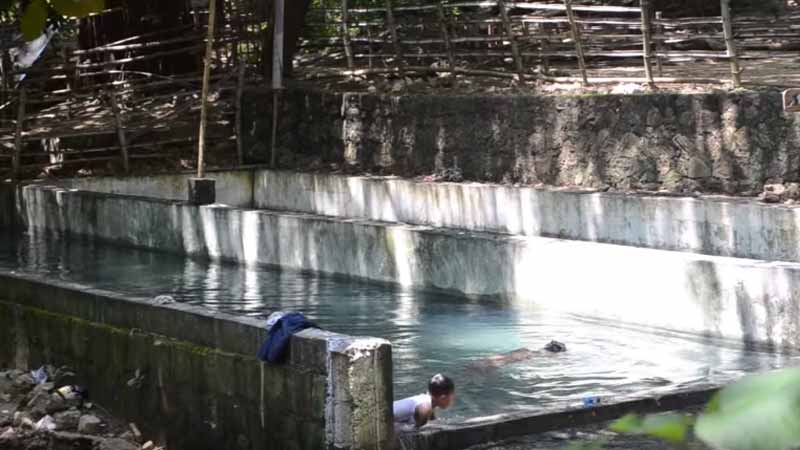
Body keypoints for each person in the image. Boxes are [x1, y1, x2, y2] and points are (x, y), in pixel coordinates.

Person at [469, 340, 567, 371]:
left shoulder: (536, 350)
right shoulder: (549, 354)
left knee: (506, 358)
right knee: (507, 359)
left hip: (527, 352)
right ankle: (487, 364)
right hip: (529, 354)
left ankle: (486, 363)